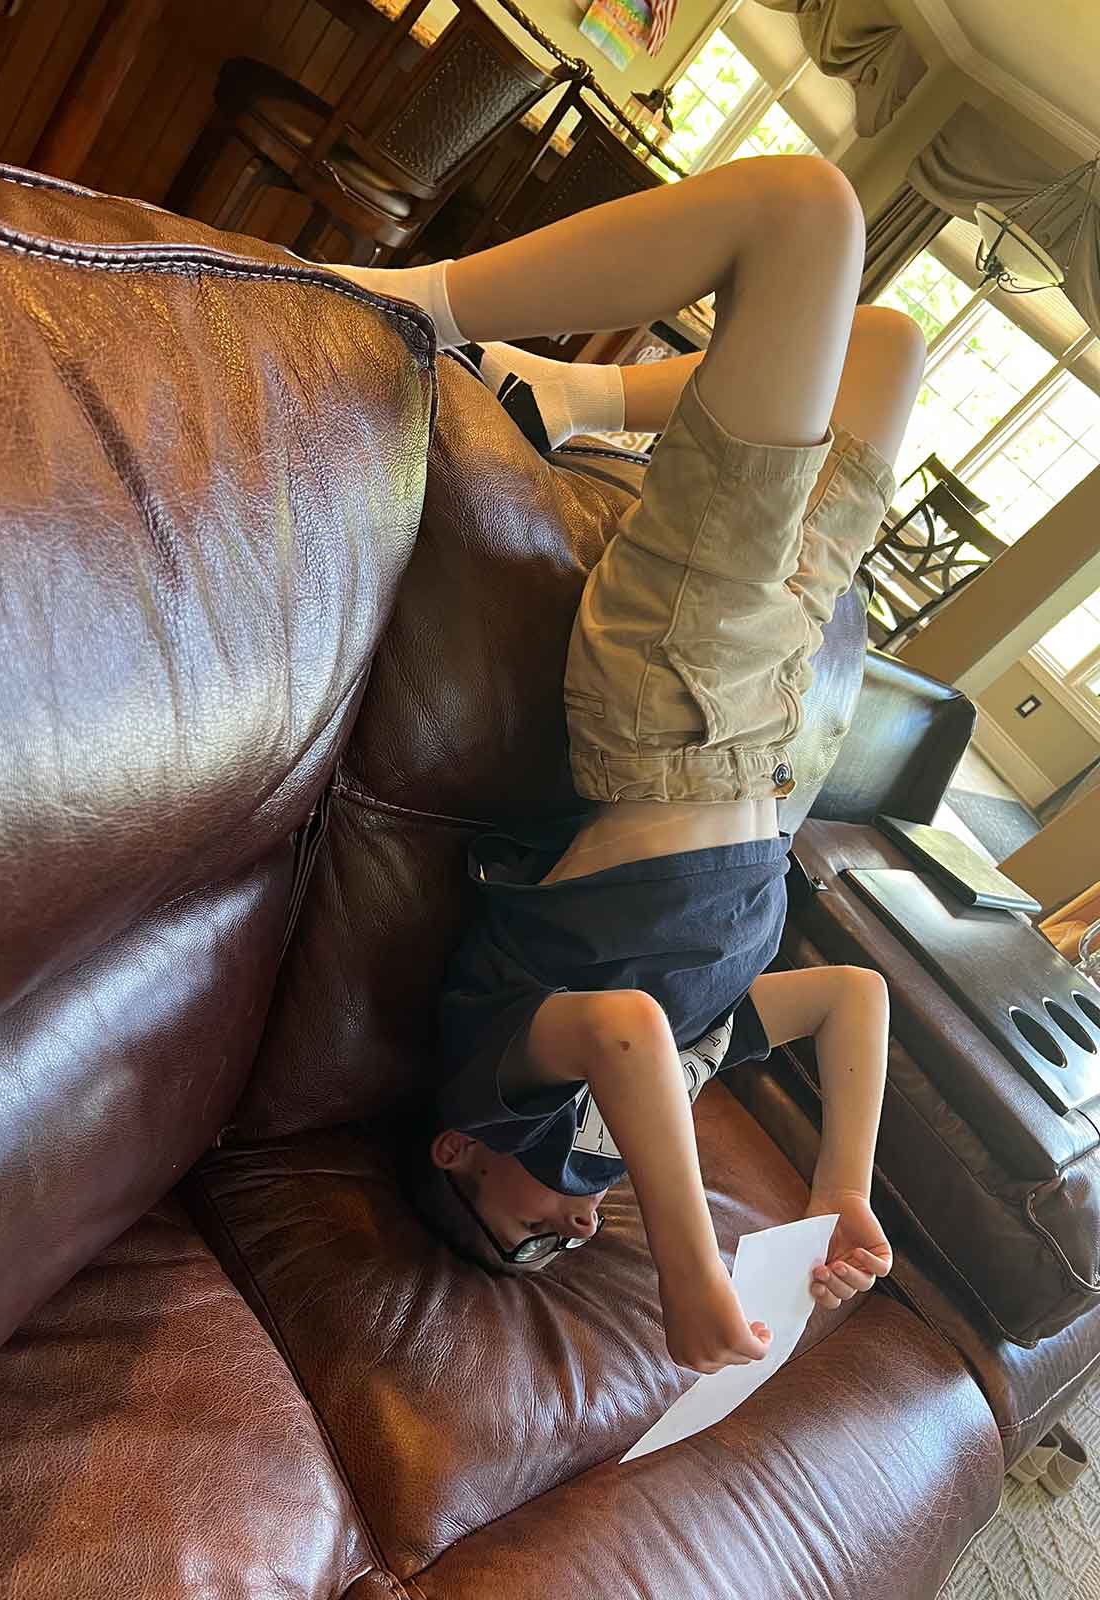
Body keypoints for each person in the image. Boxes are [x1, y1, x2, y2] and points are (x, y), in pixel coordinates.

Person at [333, 154, 926, 1377]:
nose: (572, 1231)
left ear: (458, 1161)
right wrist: (839, 1191)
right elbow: (849, 999)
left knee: (803, 212)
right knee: (887, 346)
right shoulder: (692, 1056)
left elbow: (623, 1033)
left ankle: (398, 306)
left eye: (528, 1243)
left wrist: (687, 1262)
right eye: (566, 1249)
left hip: (674, 697)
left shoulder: (497, 1085)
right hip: (764, 724)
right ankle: (571, 391)